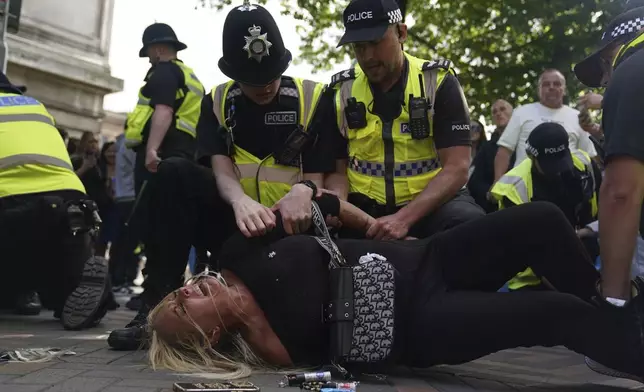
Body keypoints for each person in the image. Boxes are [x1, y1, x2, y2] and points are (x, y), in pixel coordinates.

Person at [146, 199, 644, 383]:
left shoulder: (239, 249)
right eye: (181, 310)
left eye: (175, 293)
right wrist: (244, 322)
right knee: (552, 312)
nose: (185, 292)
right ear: (207, 339)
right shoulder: (268, 351)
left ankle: (614, 319)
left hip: (429, 257)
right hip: (424, 323)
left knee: (543, 219)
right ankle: (625, 347)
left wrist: (303, 193)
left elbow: (322, 205)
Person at [107, 3, 336, 351]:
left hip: (292, 228)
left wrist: (301, 196)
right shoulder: (218, 100)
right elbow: (221, 167)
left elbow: (320, 179)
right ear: (232, 73)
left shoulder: (314, 98)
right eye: (253, 82)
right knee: (173, 172)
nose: (264, 88)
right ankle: (155, 311)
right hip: (237, 222)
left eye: (271, 77)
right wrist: (240, 201)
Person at [322, 0, 484, 241]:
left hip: (432, 206)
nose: (367, 57)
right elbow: (338, 170)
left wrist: (402, 219)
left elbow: (458, 168)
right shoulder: (340, 90)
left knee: (471, 228)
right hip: (363, 209)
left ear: (401, 33)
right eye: (358, 46)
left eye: (376, 43)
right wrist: (340, 206)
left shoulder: (437, 81)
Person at [0, 72, 110, 329]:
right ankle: (67, 289)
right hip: (70, 200)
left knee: (17, 244)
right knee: (63, 279)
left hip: (10, 202)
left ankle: (18, 288)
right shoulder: (37, 108)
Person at [573, 0, 644, 309]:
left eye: (604, 65)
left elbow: (621, 192)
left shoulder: (632, 71)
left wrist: (614, 304)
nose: (604, 80)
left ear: (619, 46)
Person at [491, 123, 601, 291]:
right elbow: (523, 253)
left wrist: (588, 230)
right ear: (532, 156)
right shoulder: (514, 189)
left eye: (562, 160)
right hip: (533, 277)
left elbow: (607, 211)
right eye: (550, 165)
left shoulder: (586, 166)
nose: (557, 172)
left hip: (584, 254)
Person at [493, 69, 597, 183]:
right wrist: (497, 182)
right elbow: (505, 150)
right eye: (546, 84)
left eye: (557, 84)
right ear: (539, 90)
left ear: (564, 90)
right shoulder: (521, 112)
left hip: (567, 185)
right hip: (524, 186)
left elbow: (589, 156)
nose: (551, 87)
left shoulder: (578, 117)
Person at [468, 99, 514, 212]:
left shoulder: (526, 141)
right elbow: (475, 181)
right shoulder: (487, 148)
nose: (498, 113)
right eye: (494, 112)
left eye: (502, 109)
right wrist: (490, 194)